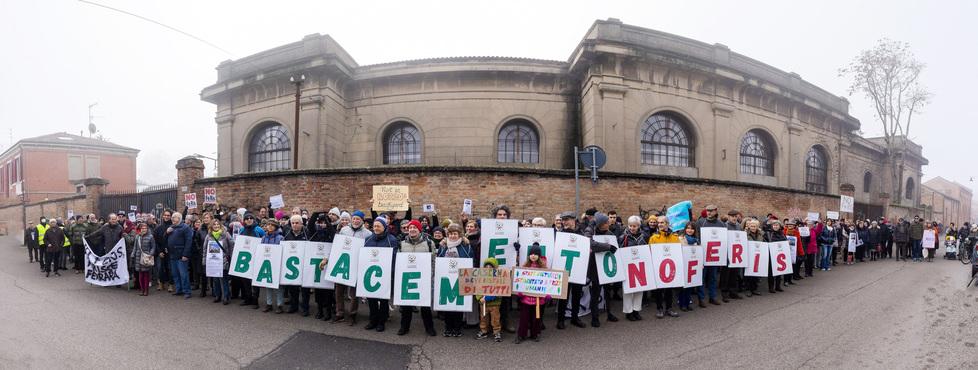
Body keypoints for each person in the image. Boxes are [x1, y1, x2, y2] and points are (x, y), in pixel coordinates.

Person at [397, 220, 437, 337]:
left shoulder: (429, 244)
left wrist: (432, 275)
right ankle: (404, 326)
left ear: (419, 230)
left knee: (425, 305)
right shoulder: (402, 244)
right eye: (410, 228)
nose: (412, 229)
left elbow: (433, 261)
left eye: (415, 227)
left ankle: (429, 327)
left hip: (423, 277)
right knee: (406, 305)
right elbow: (399, 262)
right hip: (408, 277)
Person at [437, 223, 474, 337]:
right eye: (450, 233)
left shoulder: (466, 246)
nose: (452, 236)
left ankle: (457, 328)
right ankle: (448, 327)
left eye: (455, 233)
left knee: (459, 305)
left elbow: (471, 260)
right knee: (448, 305)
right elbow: (438, 260)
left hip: (460, 278)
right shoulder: (443, 246)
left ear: (459, 234)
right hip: (446, 278)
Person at [333, 210, 370, 325]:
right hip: (342, 264)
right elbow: (337, 245)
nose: (355, 220)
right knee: (339, 290)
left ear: (362, 220)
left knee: (353, 293)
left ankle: (352, 314)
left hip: (356, 265)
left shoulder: (368, 234)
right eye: (354, 218)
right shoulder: (344, 230)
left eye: (358, 219)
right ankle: (339, 313)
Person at [363, 217, 398, 332]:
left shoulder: (391, 240)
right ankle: (373, 320)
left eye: (379, 226)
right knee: (371, 299)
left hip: (385, 274)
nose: (376, 228)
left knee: (383, 300)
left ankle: (381, 322)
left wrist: (391, 272)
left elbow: (394, 258)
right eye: (374, 226)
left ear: (384, 227)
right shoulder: (368, 239)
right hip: (370, 273)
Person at [584, 212, 620, 326]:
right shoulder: (591, 231)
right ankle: (595, 318)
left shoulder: (609, 234)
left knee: (607, 292)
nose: (608, 224)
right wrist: (607, 246)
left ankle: (609, 313)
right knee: (595, 293)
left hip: (606, 268)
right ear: (600, 224)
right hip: (595, 267)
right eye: (606, 222)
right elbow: (590, 243)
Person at [515, 244, 549, 344]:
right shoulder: (525, 267)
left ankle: (535, 334)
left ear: (539, 256)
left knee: (536, 318)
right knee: (524, 318)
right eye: (531, 254)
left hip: (538, 299)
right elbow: (520, 281)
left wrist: (547, 294)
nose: (533, 255)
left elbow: (547, 282)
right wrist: (520, 292)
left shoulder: (543, 269)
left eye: (536, 254)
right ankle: (521, 335)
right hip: (526, 299)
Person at [649, 215, 680, 318]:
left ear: (667, 224)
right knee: (658, 290)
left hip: (670, 267)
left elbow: (678, 252)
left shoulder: (675, 237)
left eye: (662, 222)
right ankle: (659, 309)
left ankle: (669, 308)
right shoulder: (653, 238)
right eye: (659, 223)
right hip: (658, 267)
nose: (660, 224)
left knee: (669, 289)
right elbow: (650, 252)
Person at [619, 215, 649, 317]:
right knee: (628, 291)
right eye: (630, 226)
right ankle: (628, 312)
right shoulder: (623, 237)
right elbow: (620, 252)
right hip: (628, 267)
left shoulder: (644, 236)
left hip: (640, 266)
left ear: (638, 226)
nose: (632, 228)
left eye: (634, 226)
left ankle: (636, 310)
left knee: (639, 289)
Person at [695, 205, 726, 303]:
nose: (708, 212)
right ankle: (701, 298)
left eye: (711, 211)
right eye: (707, 210)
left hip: (715, 256)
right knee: (702, 278)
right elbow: (696, 237)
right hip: (703, 254)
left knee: (713, 277)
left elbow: (724, 240)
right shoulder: (700, 222)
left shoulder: (721, 224)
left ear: (716, 211)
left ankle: (713, 297)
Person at [236, 213, 265, 308]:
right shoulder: (242, 230)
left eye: (251, 218)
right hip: (245, 258)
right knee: (245, 280)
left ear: (253, 219)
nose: (249, 220)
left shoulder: (258, 230)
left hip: (256, 257)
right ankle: (247, 298)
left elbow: (264, 241)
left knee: (255, 280)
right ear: (244, 220)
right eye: (247, 218)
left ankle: (255, 300)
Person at [203, 219, 232, 304]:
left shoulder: (225, 234)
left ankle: (226, 297)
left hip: (223, 260)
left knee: (224, 280)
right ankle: (217, 295)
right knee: (215, 280)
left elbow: (232, 245)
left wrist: (230, 256)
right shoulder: (208, 236)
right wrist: (204, 261)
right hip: (213, 261)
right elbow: (205, 249)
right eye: (214, 225)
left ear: (220, 225)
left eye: (217, 224)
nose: (216, 226)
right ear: (211, 226)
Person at [476, 257, 504, 342]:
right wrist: (479, 298)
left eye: (490, 267)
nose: (488, 268)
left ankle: (497, 332)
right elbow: (476, 288)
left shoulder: (499, 278)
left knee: (495, 319)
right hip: (483, 303)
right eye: (486, 267)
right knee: (483, 318)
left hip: (494, 304)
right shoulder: (480, 277)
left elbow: (500, 291)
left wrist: (488, 297)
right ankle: (483, 331)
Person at [166, 212, 194, 298]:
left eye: (175, 217)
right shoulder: (171, 227)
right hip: (172, 255)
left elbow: (189, 242)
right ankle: (179, 290)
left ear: (179, 219)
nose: (172, 219)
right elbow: (165, 239)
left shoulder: (185, 228)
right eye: (172, 217)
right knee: (175, 274)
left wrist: (185, 254)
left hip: (181, 255)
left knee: (183, 274)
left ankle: (187, 291)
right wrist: (166, 233)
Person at [260, 220, 285, 313]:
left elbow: (282, 250)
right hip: (267, 262)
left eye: (272, 225)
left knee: (278, 286)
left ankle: (280, 304)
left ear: (276, 227)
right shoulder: (263, 238)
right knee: (268, 285)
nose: (270, 226)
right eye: (268, 225)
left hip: (277, 263)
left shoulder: (280, 238)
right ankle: (269, 303)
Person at [130, 223, 156, 296]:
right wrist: (133, 254)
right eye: (142, 228)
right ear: (140, 229)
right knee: (140, 274)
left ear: (147, 229)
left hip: (146, 257)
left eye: (145, 228)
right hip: (138, 257)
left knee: (146, 274)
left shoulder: (151, 237)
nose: (144, 229)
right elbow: (135, 247)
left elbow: (153, 247)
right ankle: (142, 289)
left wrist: (150, 254)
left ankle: (146, 290)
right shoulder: (137, 237)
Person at [678, 221, 699, 311]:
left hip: (692, 266)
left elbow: (698, 254)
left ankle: (687, 302)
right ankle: (682, 303)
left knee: (690, 286)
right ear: (685, 229)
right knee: (683, 287)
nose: (690, 230)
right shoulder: (680, 239)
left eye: (692, 228)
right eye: (688, 228)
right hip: (683, 265)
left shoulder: (696, 241)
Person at [743, 219, 764, 297]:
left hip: (757, 255)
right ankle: (748, 289)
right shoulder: (745, 234)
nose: (753, 227)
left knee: (756, 273)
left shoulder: (761, 234)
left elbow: (764, 243)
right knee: (748, 274)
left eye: (755, 226)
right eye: (751, 226)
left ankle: (754, 289)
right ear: (749, 226)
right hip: (748, 255)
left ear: (757, 227)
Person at [764, 219, 786, 293]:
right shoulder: (768, 233)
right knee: (771, 272)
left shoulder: (782, 234)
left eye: (777, 225)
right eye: (774, 225)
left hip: (779, 255)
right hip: (771, 254)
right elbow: (764, 242)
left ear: (779, 226)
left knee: (779, 271)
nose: (775, 226)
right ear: (772, 226)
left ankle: (778, 286)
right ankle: (771, 287)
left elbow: (784, 242)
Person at [154, 210, 174, 292]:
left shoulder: (173, 227)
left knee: (170, 268)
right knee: (160, 268)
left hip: (170, 251)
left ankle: (170, 284)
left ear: (171, 217)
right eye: (165, 215)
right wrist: (159, 252)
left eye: (168, 215)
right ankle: (161, 283)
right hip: (161, 251)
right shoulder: (158, 228)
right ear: (163, 216)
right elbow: (156, 241)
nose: (166, 217)